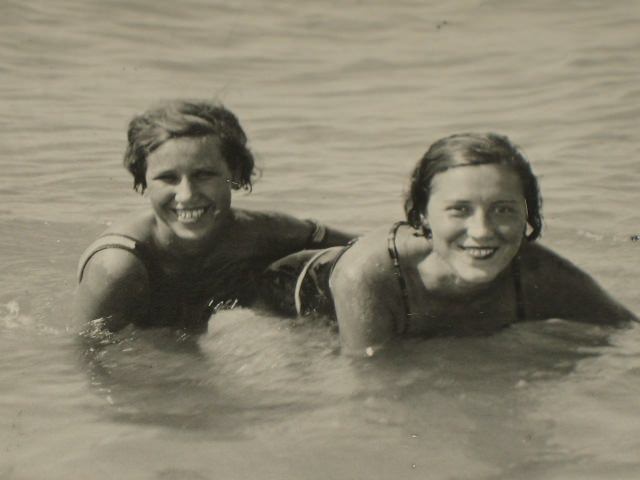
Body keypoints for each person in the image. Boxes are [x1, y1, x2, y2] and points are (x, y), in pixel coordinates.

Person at [262, 133, 637, 355]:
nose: (483, 230)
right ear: (422, 215)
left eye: (503, 209)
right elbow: (372, 391)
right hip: (286, 293)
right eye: (459, 209)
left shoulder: (542, 273)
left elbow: (626, 334)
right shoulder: (368, 276)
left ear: (528, 214)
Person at [74, 100, 355, 333]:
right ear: (144, 180)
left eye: (204, 175)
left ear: (233, 173)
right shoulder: (119, 268)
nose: (186, 194)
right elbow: (85, 356)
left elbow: (363, 249)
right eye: (167, 178)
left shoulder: (258, 232)